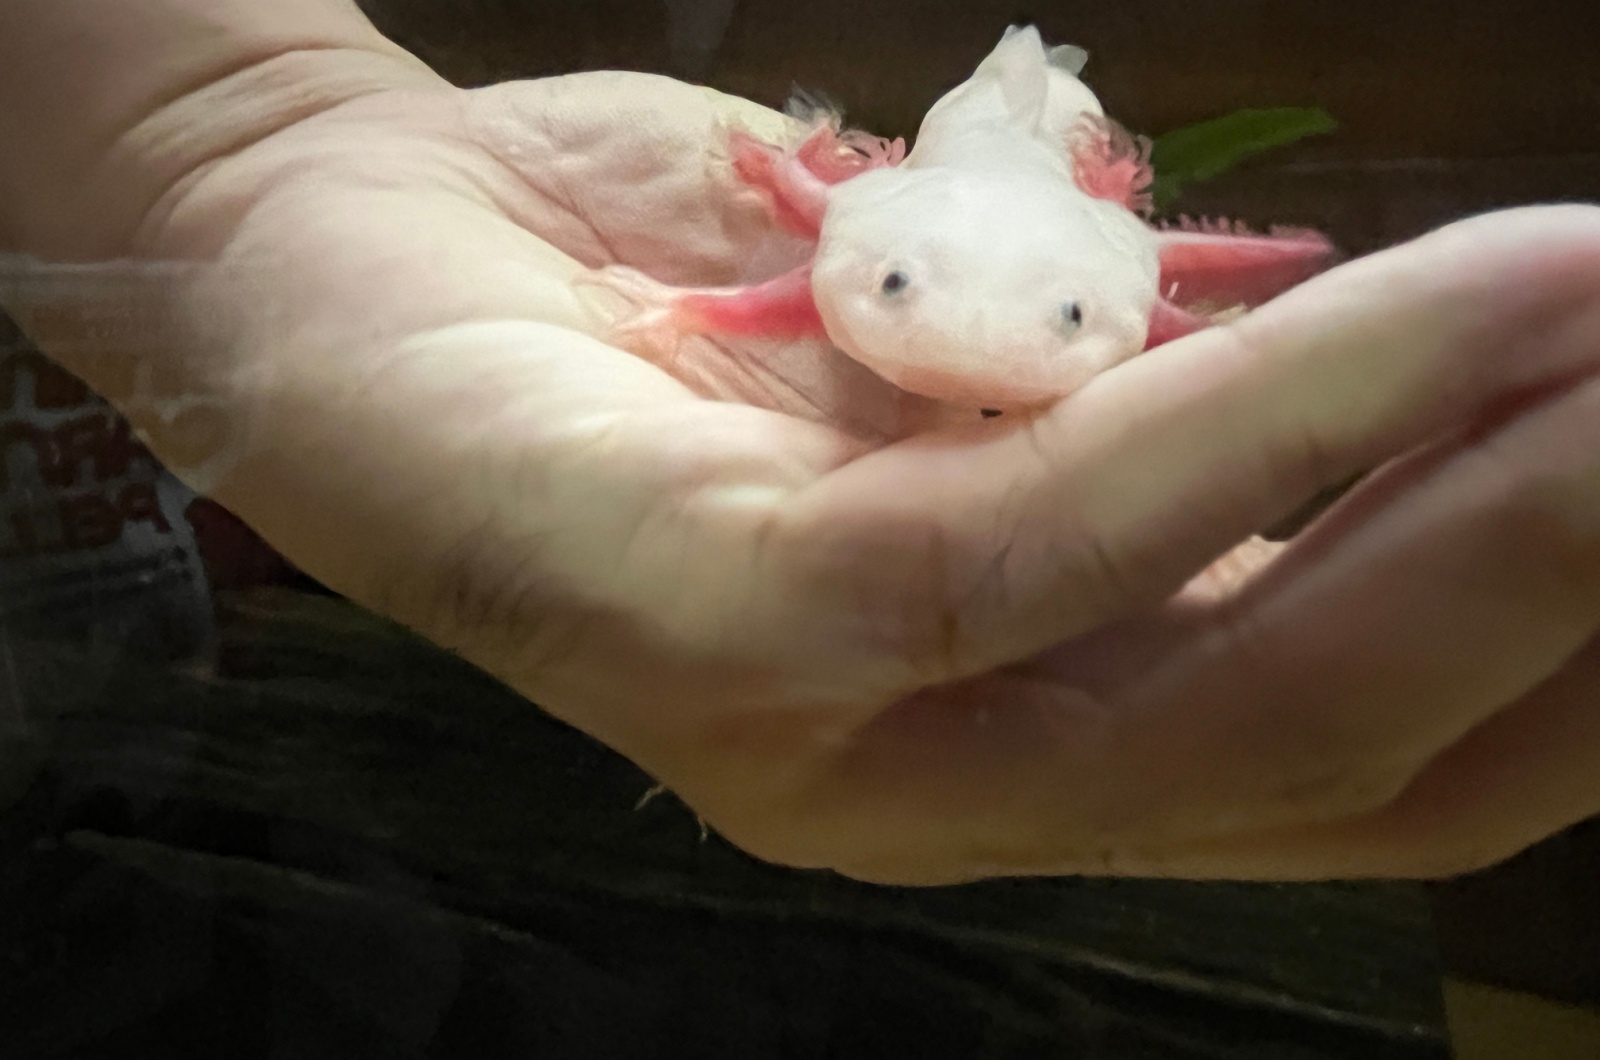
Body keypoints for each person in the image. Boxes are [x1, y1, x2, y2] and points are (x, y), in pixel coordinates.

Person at [2, 0, 1599, 887]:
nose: (953, 346)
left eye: (1064, 332)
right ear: (815, 198)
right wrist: (674, 314)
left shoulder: (1128, 268)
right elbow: (759, 298)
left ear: (1169, 279)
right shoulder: (834, 222)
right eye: (888, 287)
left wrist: (232, 138)